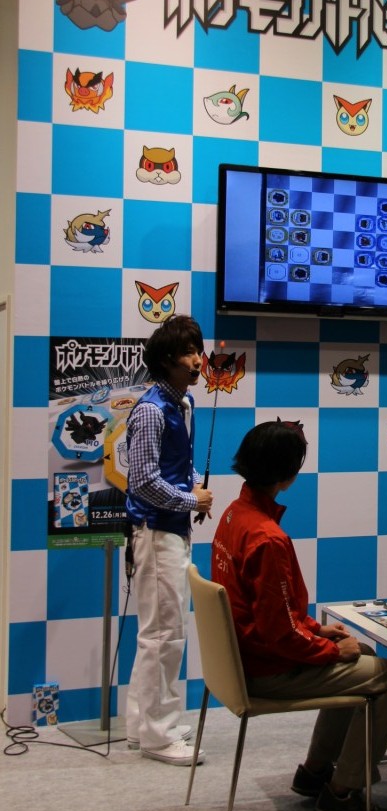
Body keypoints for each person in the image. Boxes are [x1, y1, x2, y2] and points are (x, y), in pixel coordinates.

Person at [211, 420, 387, 811]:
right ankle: (342, 794)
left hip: (243, 661)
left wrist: (316, 631)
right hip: (267, 669)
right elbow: (279, 634)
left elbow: (270, 612)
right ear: (289, 473)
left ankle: (316, 771)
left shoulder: (233, 515)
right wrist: (330, 650)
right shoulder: (267, 538)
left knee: (363, 656)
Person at [125, 315, 214, 765]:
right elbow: (142, 481)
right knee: (165, 634)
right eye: (188, 353)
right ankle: (158, 736)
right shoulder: (151, 409)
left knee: (157, 633)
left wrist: (193, 485)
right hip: (157, 530)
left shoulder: (184, 403)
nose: (197, 361)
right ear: (165, 360)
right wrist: (191, 499)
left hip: (172, 528)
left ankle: (142, 724)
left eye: (198, 350)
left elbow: (176, 465)